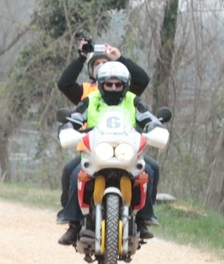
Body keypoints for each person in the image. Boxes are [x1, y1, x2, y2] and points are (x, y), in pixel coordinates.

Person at [56, 39, 161, 240]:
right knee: (72, 171)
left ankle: (143, 218)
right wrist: (81, 56)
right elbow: (66, 89)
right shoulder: (88, 95)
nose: (113, 86)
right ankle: (74, 222)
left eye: (117, 83)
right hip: (93, 151)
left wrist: (119, 58)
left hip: (126, 151)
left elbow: (143, 83)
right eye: (99, 64)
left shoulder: (130, 96)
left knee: (150, 169)